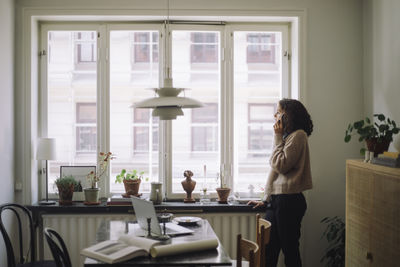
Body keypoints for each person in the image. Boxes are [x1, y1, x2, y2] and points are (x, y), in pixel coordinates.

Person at [248, 98, 313, 267]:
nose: (274, 115)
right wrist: (265, 199)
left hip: (289, 201)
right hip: (278, 201)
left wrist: (277, 138)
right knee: (269, 250)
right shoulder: (286, 137)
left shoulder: (298, 136)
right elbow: (274, 173)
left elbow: (280, 165)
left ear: (288, 115)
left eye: (278, 111)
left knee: (290, 251)